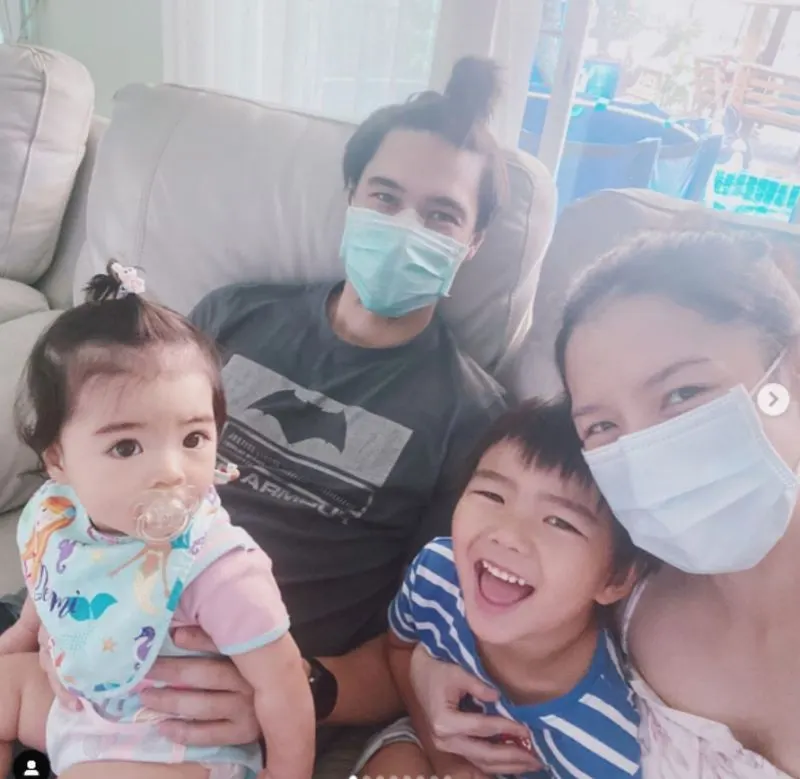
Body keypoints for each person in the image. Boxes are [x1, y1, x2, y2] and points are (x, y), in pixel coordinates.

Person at [0, 55, 509, 769]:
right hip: (89, 618)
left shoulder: (471, 417)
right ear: (352, 198)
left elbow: (415, 644)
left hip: (229, 703)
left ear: (473, 242)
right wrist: (44, 624)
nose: (405, 227)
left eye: (441, 215)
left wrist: (299, 686)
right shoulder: (234, 315)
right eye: (385, 197)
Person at [406, 230, 800, 778]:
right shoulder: (626, 584)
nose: (645, 451)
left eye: (683, 393)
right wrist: (423, 674)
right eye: (602, 426)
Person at [0, 263, 314, 779]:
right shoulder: (59, 513)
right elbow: (52, 572)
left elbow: (283, 685)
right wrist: (24, 633)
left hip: (169, 745)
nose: (171, 471)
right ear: (59, 460)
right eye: (126, 446)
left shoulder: (217, 567)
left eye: (193, 439)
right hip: (78, 706)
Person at [354, 399, 645, 779]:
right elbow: (400, 649)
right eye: (493, 496)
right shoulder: (438, 575)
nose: (507, 535)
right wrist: (447, 762)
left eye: (559, 522)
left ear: (615, 579)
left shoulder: (615, 746)